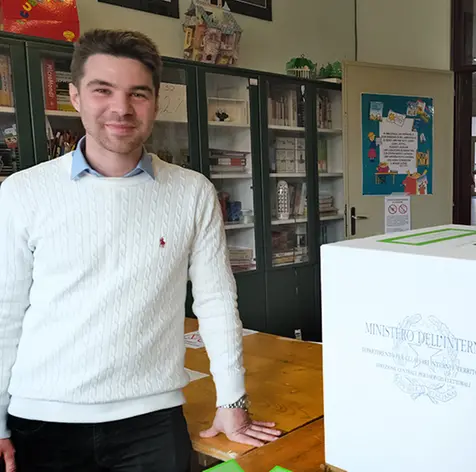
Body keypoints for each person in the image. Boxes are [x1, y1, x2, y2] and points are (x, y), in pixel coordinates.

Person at [0, 29, 281, 471]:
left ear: (156, 101)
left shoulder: (192, 193)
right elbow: (5, 312)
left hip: (151, 421)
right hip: (43, 419)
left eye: (138, 93)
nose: (121, 108)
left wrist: (233, 399)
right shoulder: (22, 193)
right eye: (102, 90)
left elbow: (217, 302)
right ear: (75, 96)